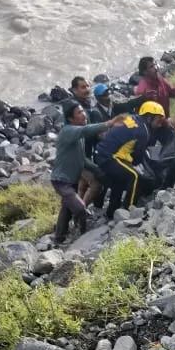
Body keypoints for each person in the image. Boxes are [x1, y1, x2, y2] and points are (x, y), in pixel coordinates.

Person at [50, 99, 116, 245]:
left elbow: (82, 160)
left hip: (71, 180)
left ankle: (59, 238)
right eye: (79, 113)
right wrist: (109, 124)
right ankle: (82, 235)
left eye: (83, 111)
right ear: (70, 118)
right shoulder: (68, 131)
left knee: (66, 210)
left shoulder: (77, 137)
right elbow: (87, 130)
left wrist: (97, 170)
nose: (84, 114)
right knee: (80, 208)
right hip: (61, 181)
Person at [93, 101, 171, 219]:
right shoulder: (143, 131)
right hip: (109, 157)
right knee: (134, 176)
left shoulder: (133, 118)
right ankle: (129, 209)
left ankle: (111, 212)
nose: (160, 125)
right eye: (158, 121)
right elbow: (137, 157)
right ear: (149, 117)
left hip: (101, 153)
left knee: (118, 183)